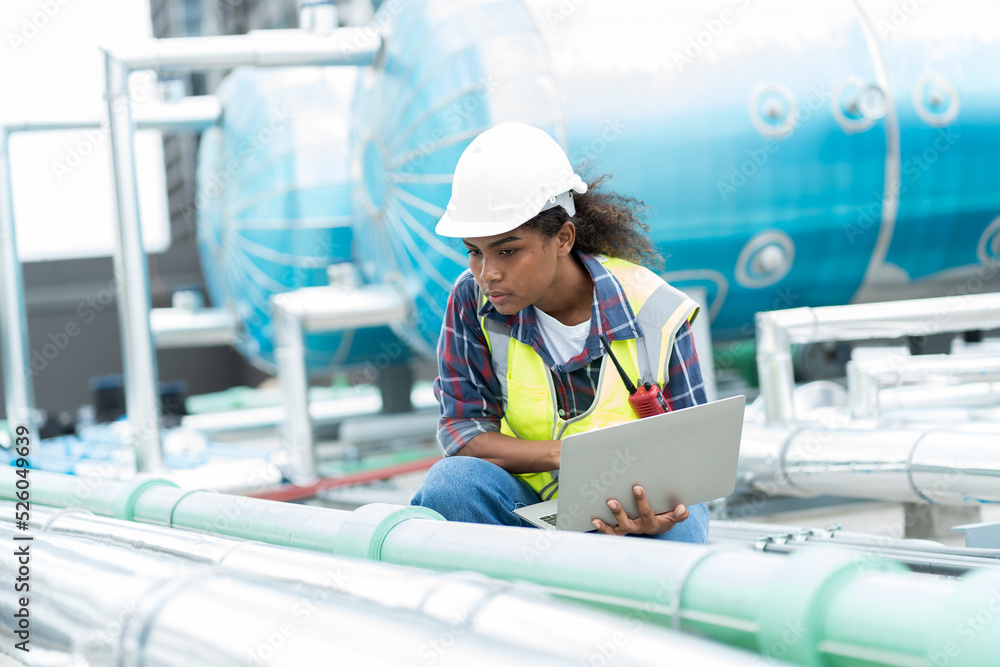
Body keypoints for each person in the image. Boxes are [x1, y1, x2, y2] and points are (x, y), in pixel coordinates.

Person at [411, 122, 709, 543]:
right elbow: (464, 433)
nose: (487, 273)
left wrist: (653, 512)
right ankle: (514, 603)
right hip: (532, 507)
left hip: (643, 504)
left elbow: (693, 453)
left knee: (678, 532)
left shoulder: (654, 309)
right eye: (474, 252)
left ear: (564, 238)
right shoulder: (471, 300)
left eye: (508, 250)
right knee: (450, 485)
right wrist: (568, 458)